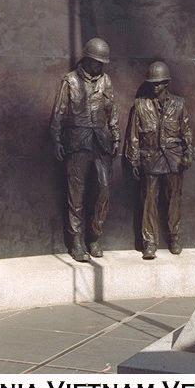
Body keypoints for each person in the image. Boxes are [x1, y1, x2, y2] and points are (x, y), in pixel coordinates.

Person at [50, 38, 120, 262]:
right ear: (87, 59)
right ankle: (77, 241)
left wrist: (116, 135)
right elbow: (58, 113)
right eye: (97, 62)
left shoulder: (106, 81)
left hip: (101, 142)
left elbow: (112, 111)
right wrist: (56, 141)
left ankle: (95, 236)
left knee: (104, 189)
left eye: (102, 63)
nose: (99, 66)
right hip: (77, 143)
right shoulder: (70, 80)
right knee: (76, 195)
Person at [125, 61, 193, 259]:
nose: (155, 86)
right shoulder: (140, 105)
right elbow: (133, 136)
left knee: (174, 201)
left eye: (159, 83)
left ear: (166, 83)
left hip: (173, 158)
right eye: (152, 83)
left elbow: (187, 131)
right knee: (149, 202)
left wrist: (188, 153)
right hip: (150, 159)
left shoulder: (179, 104)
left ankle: (175, 237)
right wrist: (134, 160)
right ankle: (149, 243)